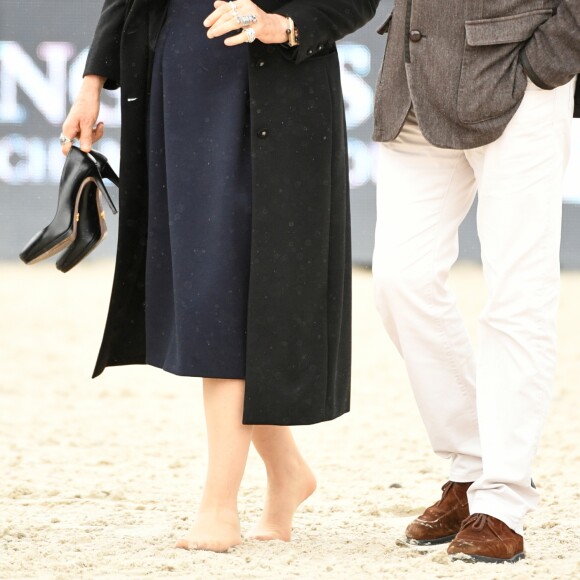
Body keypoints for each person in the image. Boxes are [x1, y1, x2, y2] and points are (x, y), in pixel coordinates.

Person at [60, 0, 377, 552]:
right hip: (183, 79)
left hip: (283, 86)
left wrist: (287, 25)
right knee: (212, 287)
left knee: (235, 286)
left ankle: (218, 504)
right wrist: (91, 82)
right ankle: (286, 474)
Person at [372, 0, 579, 564]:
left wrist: (551, 57)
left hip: (521, 72)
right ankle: (471, 464)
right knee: (399, 279)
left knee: (517, 295)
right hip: (414, 78)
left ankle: (504, 500)